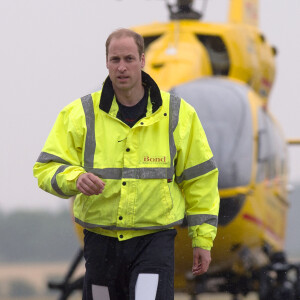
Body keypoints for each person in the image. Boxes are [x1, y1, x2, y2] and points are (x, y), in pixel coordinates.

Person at [33, 28, 219, 300]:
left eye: (129, 59)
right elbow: (45, 169)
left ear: (143, 60)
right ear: (106, 62)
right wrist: (75, 178)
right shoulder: (79, 114)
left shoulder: (179, 114)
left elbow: (200, 180)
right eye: (115, 59)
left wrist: (202, 240)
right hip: (100, 242)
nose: (122, 67)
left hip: (154, 240)